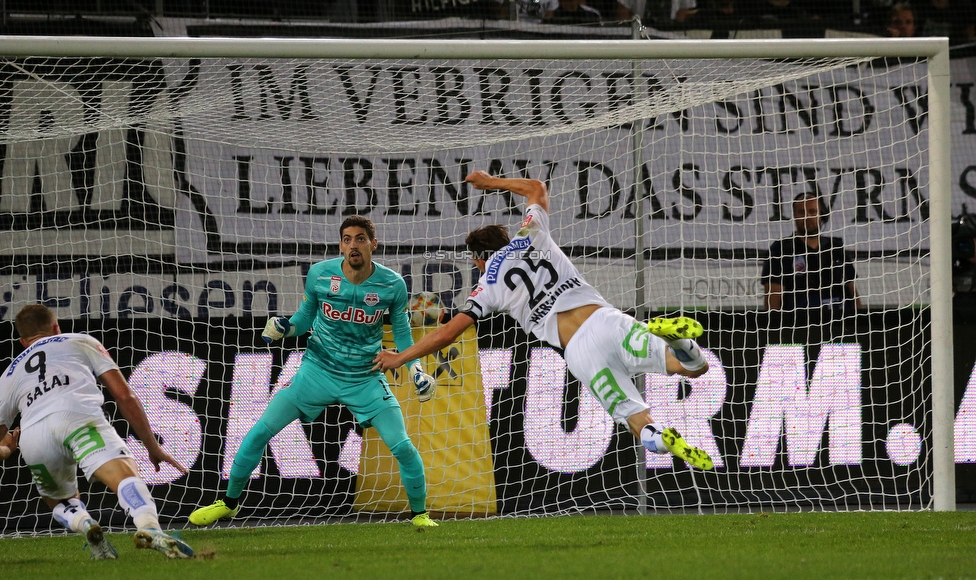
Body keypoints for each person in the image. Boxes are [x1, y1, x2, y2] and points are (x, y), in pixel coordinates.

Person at [374, 173, 715, 472]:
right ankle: (682, 345)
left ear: (479, 259)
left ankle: (659, 439)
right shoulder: (530, 233)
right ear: (505, 242)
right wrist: (489, 183)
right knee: (691, 369)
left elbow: (449, 332)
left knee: (635, 420)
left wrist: (400, 358)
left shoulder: (486, 286)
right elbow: (537, 187)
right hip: (604, 319)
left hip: (579, 353)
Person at [190, 216, 439, 529]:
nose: (353, 245)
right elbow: (304, 320)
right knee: (259, 432)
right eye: (347, 239)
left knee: (402, 446)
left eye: (360, 239)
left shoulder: (392, 284)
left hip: (364, 377)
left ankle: (420, 515)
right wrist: (284, 328)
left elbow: (402, 333)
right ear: (341, 244)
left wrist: (415, 368)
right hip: (316, 371)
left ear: (373, 244)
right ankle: (228, 503)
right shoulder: (321, 274)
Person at [0, 305, 194, 559]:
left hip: (34, 436)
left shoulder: (8, 374)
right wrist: (152, 446)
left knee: (60, 501)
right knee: (124, 477)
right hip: (78, 417)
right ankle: (148, 527)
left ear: (23, 342)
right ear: (56, 326)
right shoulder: (81, 341)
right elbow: (125, 395)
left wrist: (6, 449)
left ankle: (86, 524)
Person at [762, 192, 862, 314]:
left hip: (838, 326)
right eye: (801, 212)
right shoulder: (781, 250)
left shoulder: (835, 248)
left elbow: (853, 293)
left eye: (812, 211)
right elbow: (773, 302)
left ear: (821, 214)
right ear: (794, 215)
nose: (807, 217)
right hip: (798, 327)